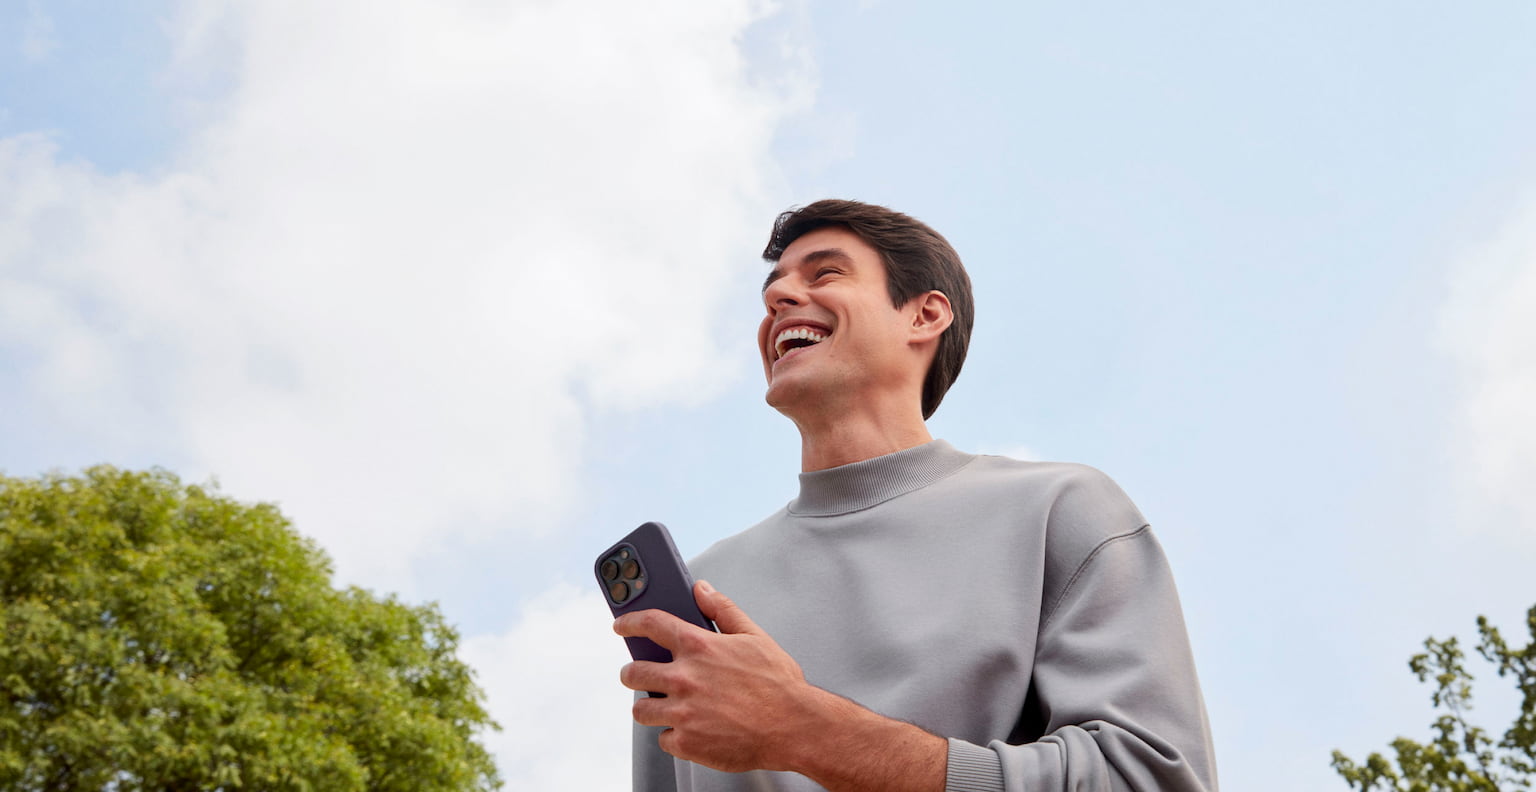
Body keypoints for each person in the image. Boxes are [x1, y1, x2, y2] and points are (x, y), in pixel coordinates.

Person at [616, 200, 1218, 792]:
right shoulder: (704, 589)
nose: (778, 298)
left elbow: (1147, 781)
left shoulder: (1057, 512)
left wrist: (804, 731)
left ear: (925, 315)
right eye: (772, 289)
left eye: (825, 273)